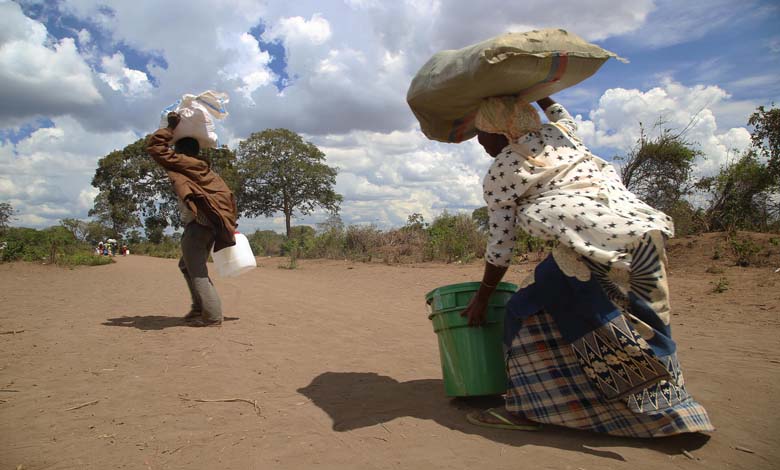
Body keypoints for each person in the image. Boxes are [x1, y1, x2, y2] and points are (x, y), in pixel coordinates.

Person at [460, 95, 714, 437]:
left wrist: (482, 298)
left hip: (594, 249)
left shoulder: (504, 168)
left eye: (483, 131)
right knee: (646, 321)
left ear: (503, 131)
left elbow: (501, 246)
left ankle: (531, 409)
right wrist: (538, 90)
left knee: (529, 314)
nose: (480, 141)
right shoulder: (562, 134)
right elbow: (562, 115)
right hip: (644, 236)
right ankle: (662, 409)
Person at [146, 112, 239, 327]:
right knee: (186, 265)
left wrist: (170, 128)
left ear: (179, 152)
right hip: (209, 228)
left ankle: (212, 317)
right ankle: (198, 309)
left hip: (198, 227)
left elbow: (155, 149)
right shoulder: (205, 171)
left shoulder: (185, 164)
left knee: (198, 272)